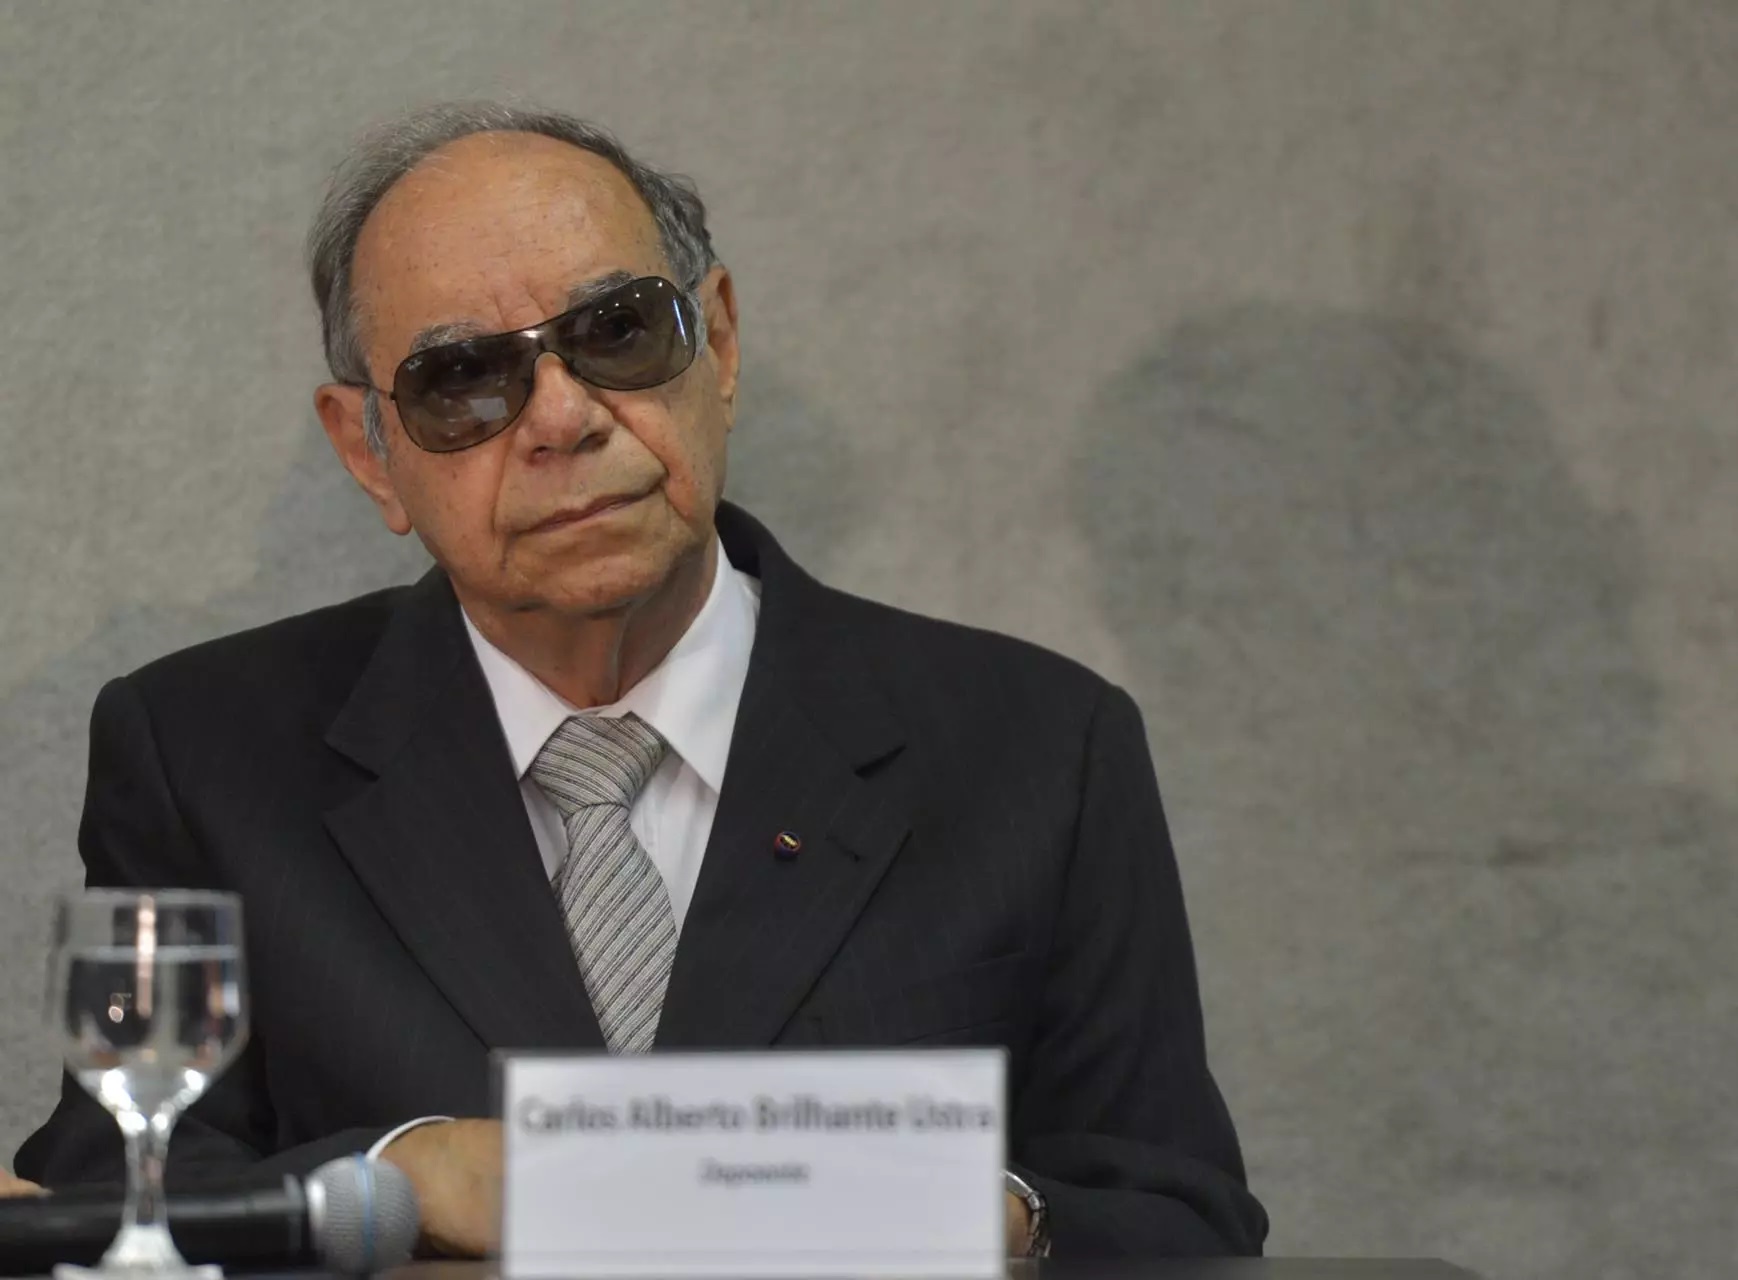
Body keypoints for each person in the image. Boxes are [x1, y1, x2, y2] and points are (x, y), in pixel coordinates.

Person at [9, 102, 1266, 1258]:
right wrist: (406, 1170)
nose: (562, 417)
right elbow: (113, 1191)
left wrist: (992, 1213)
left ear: (719, 343)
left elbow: (1177, 1214)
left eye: (616, 332)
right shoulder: (204, 754)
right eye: (464, 378)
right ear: (371, 453)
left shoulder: (1039, 747)